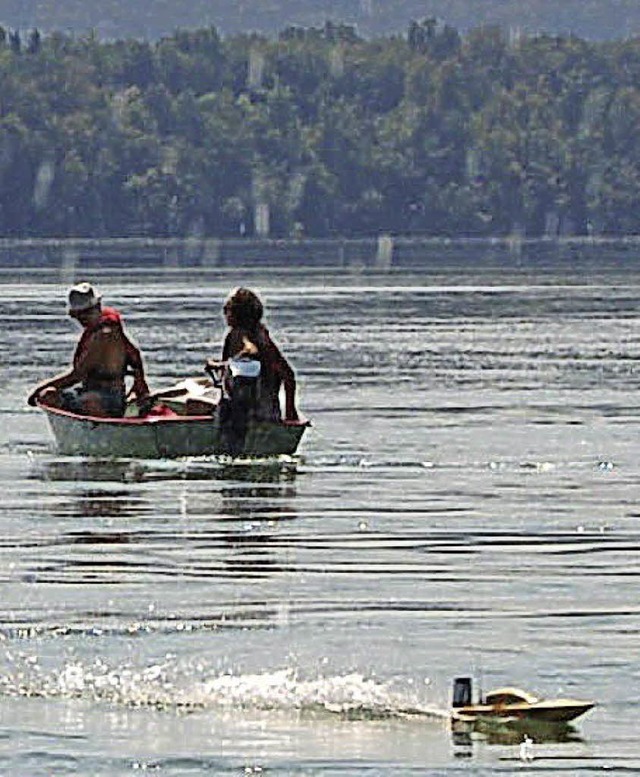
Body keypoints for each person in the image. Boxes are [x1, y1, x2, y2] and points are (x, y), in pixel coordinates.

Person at [27, 282, 149, 417]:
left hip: (108, 397)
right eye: (78, 315)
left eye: (86, 313)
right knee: (48, 395)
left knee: (89, 402)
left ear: (97, 307)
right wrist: (139, 379)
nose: (82, 319)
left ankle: (104, 427)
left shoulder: (104, 333)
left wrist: (38, 389)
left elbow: (78, 374)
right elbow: (134, 355)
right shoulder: (102, 329)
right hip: (86, 389)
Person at [206, 287, 299, 423]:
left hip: (252, 415)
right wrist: (290, 411)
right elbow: (288, 375)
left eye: (227, 309)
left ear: (237, 313)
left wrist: (217, 365)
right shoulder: (256, 335)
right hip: (265, 412)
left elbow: (251, 351)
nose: (224, 313)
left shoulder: (245, 335)